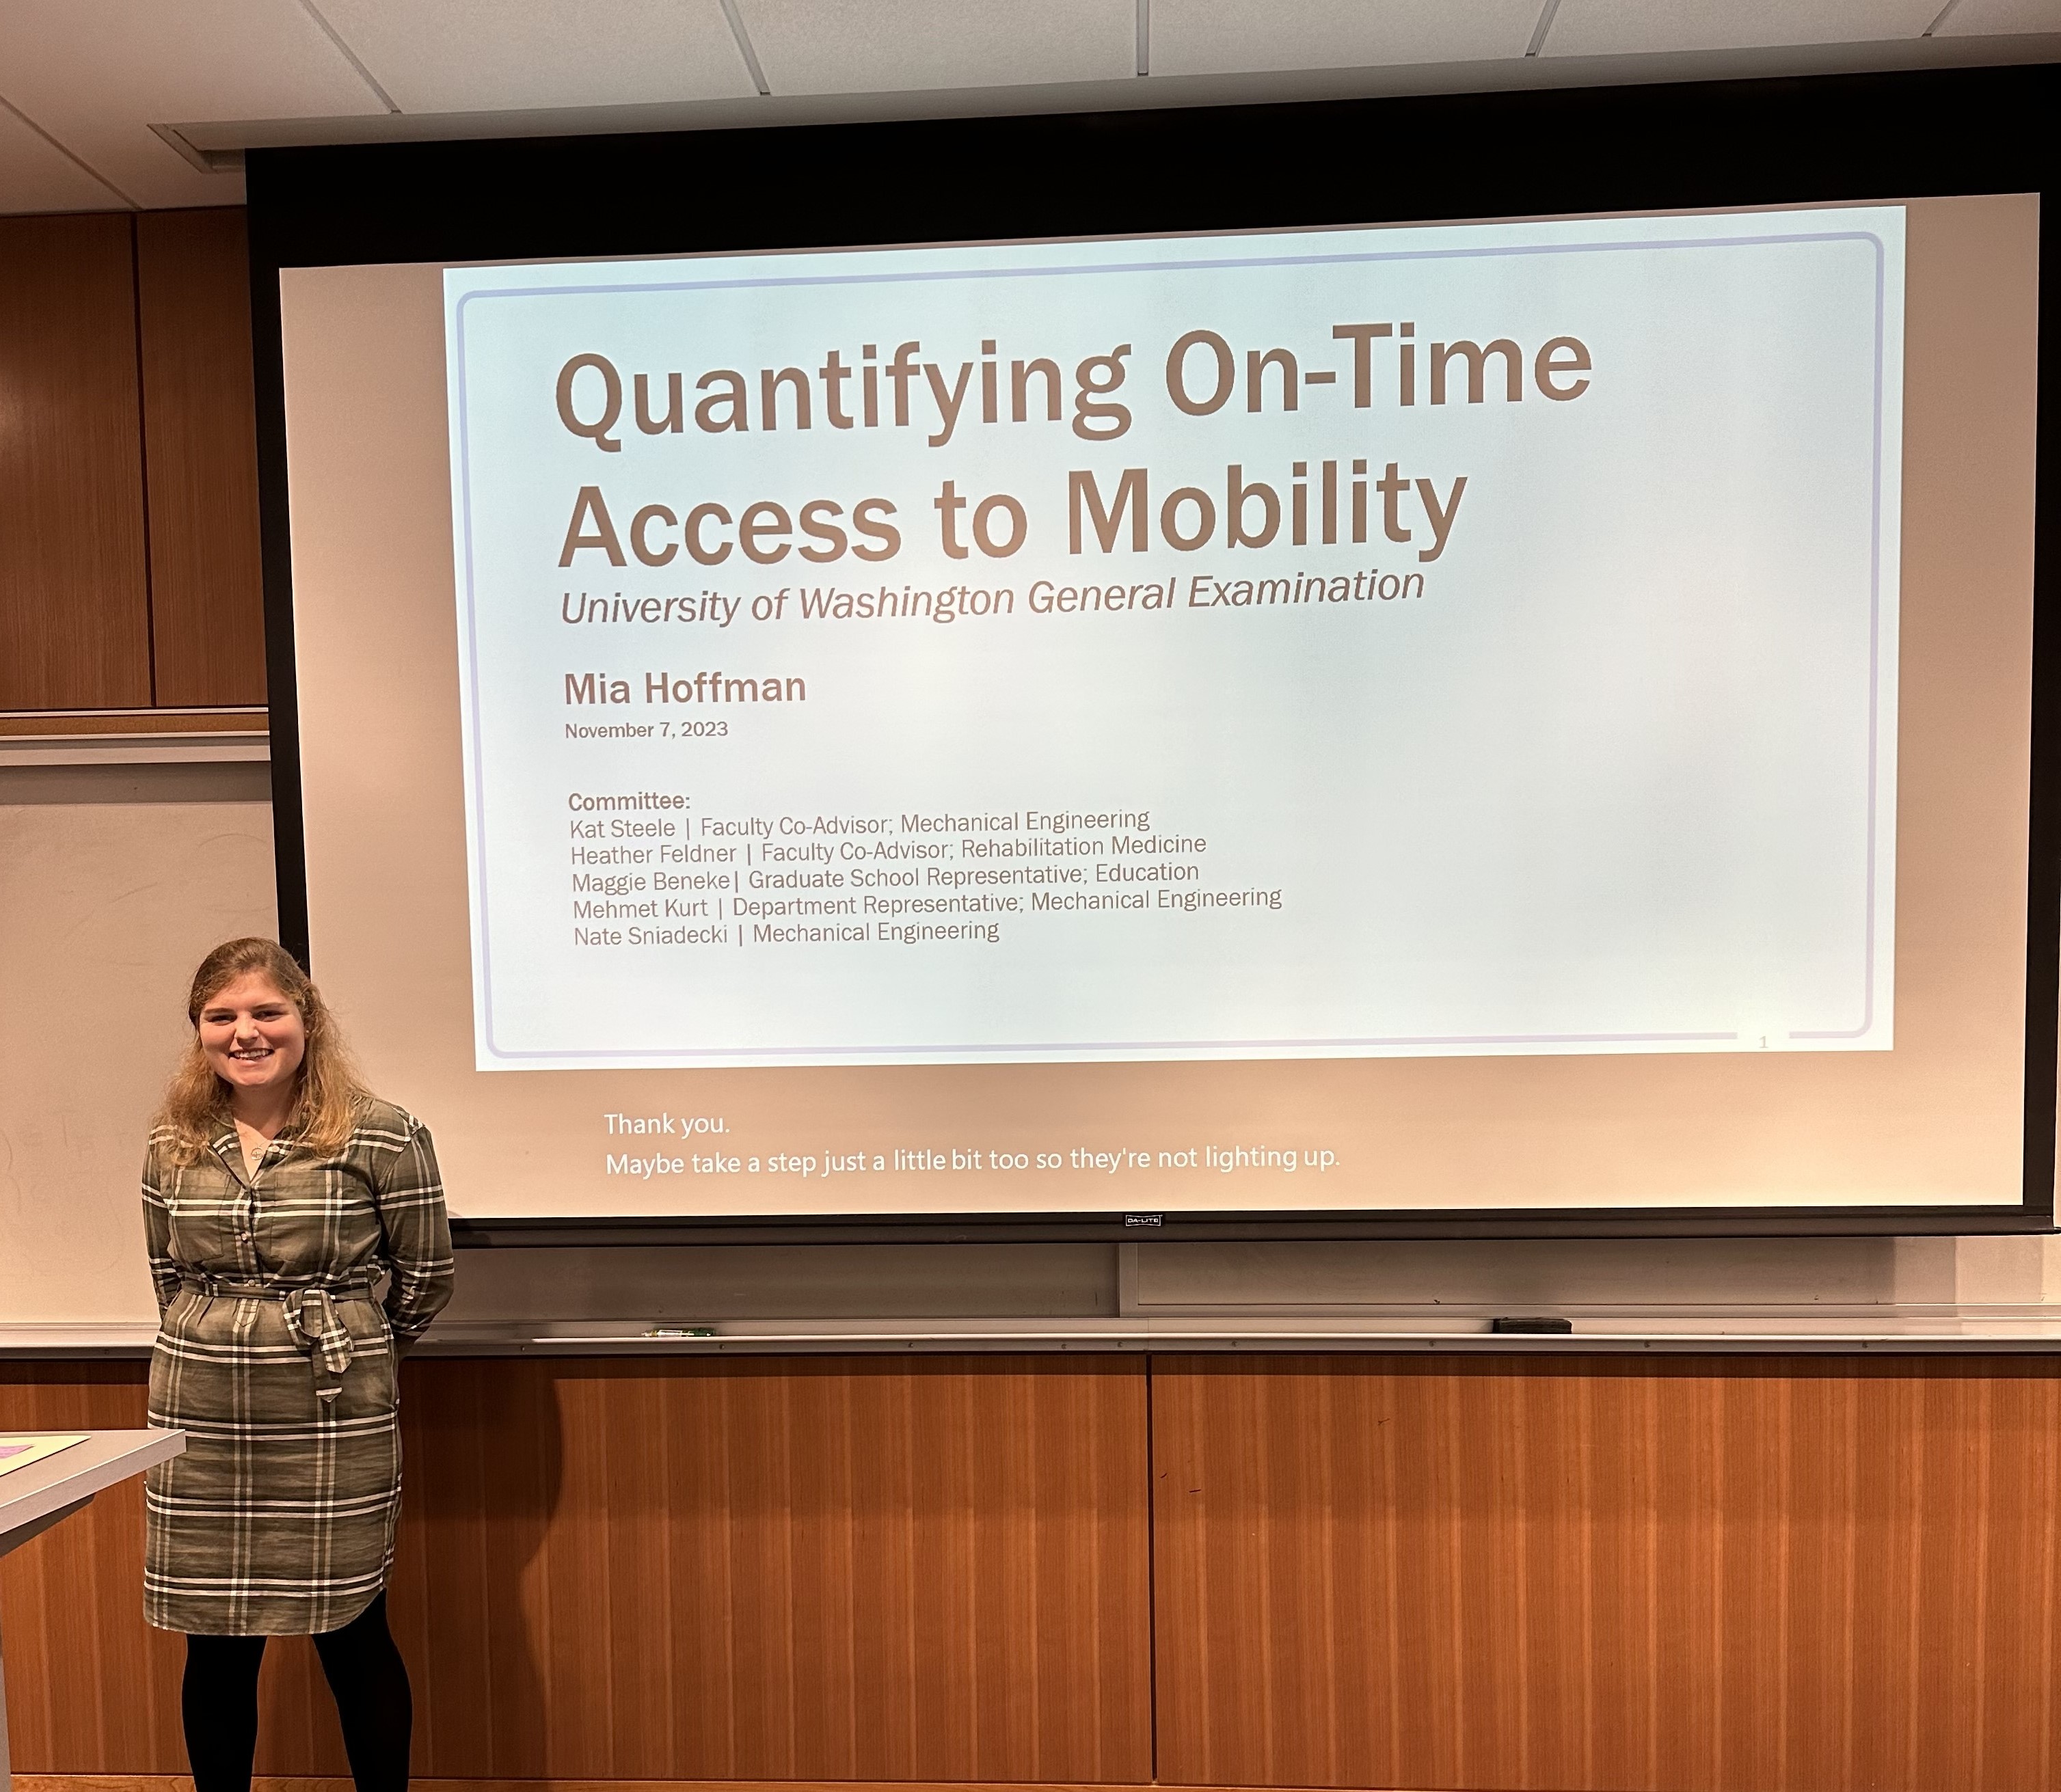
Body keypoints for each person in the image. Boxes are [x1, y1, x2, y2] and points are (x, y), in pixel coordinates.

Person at [141, 937, 454, 1792]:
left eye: (266, 1012)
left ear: (307, 1021)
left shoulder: (386, 1134)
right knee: (215, 1642)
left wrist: (348, 1339)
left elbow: (426, 1279)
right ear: (199, 1030)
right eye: (222, 1017)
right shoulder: (174, 1141)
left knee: (353, 1631)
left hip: (332, 1412)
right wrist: (226, 1334)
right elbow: (167, 1275)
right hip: (200, 1412)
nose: (246, 1033)